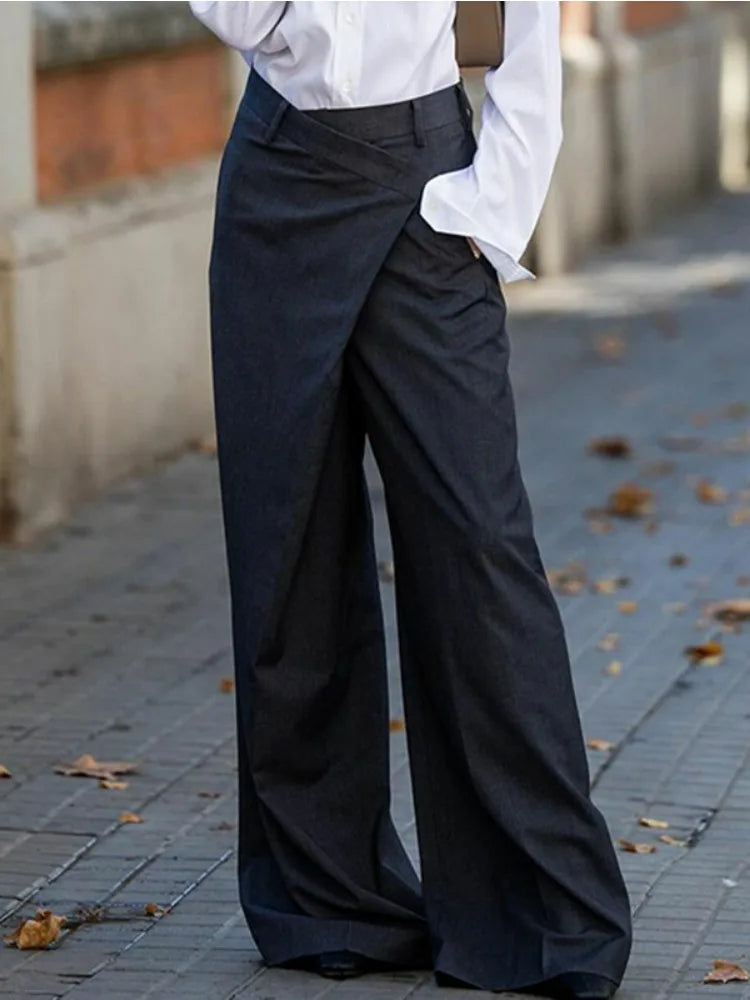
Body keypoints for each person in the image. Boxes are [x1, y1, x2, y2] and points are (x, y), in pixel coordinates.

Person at [189, 3, 632, 997]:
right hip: (278, 181)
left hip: (428, 190)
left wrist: (487, 208)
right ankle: (327, 898)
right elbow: (236, 15)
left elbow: (528, 43)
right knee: (285, 539)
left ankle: (543, 916)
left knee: (479, 547)